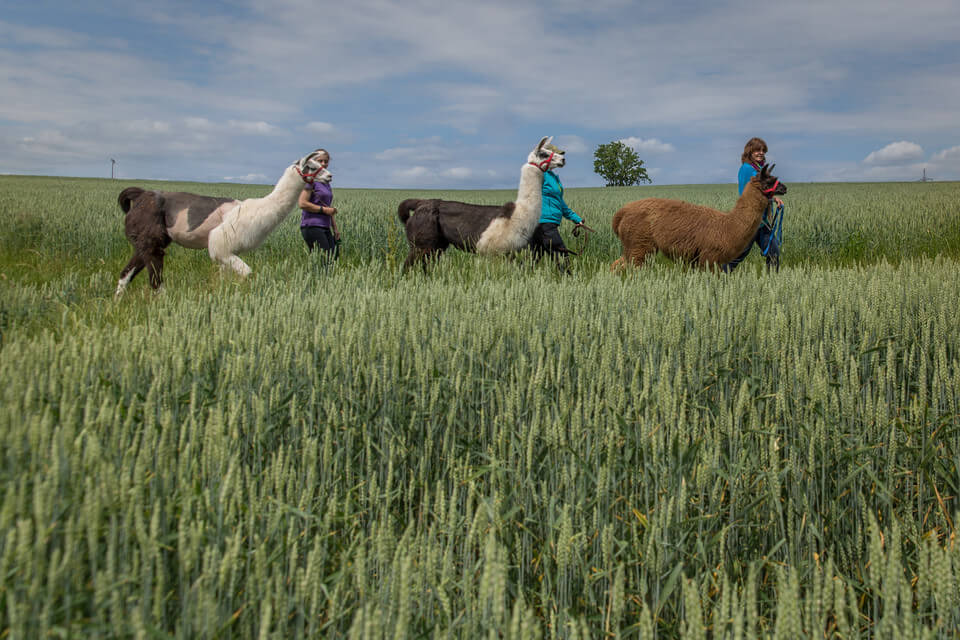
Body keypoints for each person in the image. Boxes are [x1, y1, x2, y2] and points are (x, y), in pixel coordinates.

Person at [722, 137, 783, 272]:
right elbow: (750, 193)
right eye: (757, 150)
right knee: (736, 257)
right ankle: (717, 280)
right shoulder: (747, 169)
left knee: (773, 253)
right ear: (750, 152)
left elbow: (764, 190)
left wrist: (773, 198)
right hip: (749, 222)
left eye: (763, 150)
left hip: (762, 222)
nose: (761, 153)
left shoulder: (759, 168)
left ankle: (773, 285)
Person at [529, 143, 588, 271]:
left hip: (544, 223)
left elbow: (560, 204)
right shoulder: (539, 174)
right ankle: (569, 282)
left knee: (534, 258)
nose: (560, 158)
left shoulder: (553, 177)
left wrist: (577, 219)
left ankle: (519, 282)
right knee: (561, 254)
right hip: (544, 222)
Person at [297, 148, 339, 258]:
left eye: (326, 161)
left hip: (325, 226)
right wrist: (324, 210)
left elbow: (328, 207)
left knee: (333, 258)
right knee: (324, 260)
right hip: (312, 226)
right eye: (320, 161)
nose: (323, 164)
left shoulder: (325, 182)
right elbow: (302, 203)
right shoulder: (310, 180)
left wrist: (335, 228)